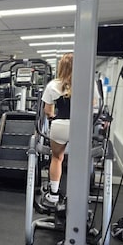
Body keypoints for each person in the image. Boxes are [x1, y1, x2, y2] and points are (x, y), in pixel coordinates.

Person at [41, 53, 73, 207]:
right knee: (81, 161)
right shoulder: (87, 82)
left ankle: (53, 194)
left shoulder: (53, 84)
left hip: (60, 125)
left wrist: (52, 116)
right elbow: (94, 106)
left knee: (57, 158)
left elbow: (48, 110)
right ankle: (78, 194)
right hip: (80, 126)